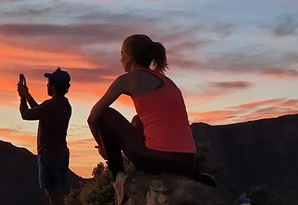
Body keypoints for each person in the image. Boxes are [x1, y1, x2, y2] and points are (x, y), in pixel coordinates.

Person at [87, 34, 214, 190]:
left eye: (121, 55)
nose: (120, 60)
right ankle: (186, 176)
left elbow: (93, 118)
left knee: (105, 115)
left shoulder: (127, 79)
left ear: (130, 57)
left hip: (157, 159)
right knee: (137, 120)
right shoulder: (167, 81)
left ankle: (118, 178)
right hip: (186, 162)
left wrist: (104, 149)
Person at [17, 68, 72, 205]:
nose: (47, 85)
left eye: (49, 83)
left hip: (49, 155)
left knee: (55, 201)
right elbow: (39, 111)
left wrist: (22, 97)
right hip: (62, 154)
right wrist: (27, 95)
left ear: (54, 86)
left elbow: (26, 114)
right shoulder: (64, 105)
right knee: (58, 198)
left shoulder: (50, 105)